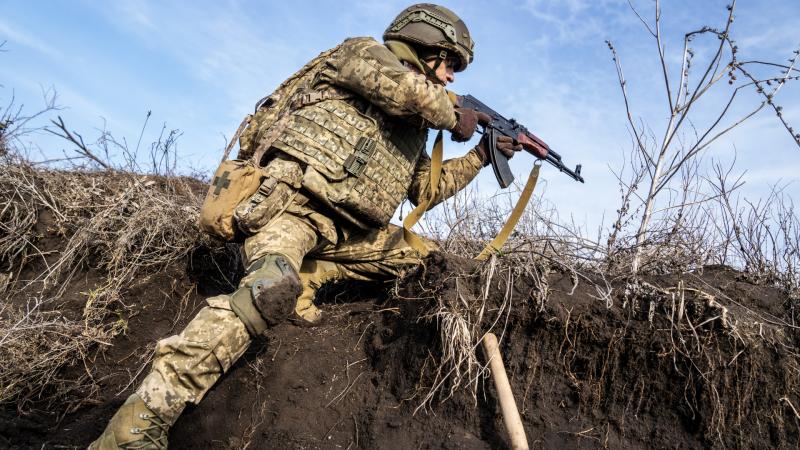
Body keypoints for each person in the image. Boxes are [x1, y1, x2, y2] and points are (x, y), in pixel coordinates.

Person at [89, 3, 523, 449]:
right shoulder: (361, 53)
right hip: (291, 213)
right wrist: (457, 116)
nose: (451, 77)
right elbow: (405, 92)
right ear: (422, 42)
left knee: (432, 262)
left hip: (347, 235)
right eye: (449, 62)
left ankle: (313, 273)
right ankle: (132, 428)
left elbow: (425, 192)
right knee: (270, 290)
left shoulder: (414, 127)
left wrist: (481, 156)